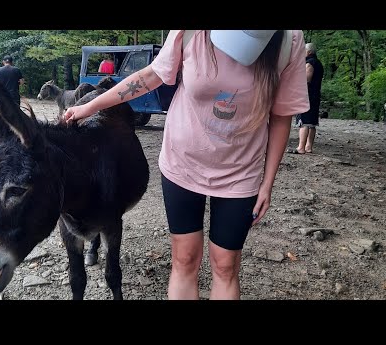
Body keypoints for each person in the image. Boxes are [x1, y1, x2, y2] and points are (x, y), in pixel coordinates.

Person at [61, 30, 309, 300]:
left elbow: (282, 114)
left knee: (226, 266)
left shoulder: (289, 41)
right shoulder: (192, 33)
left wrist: (267, 183)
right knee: (185, 257)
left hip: (241, 172)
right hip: (182, 163)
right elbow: (151, 76)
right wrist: (91, 107)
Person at [292, 42, 324, 154]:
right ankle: (308, 147)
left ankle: (301, 147)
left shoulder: (309, 63)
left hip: (307, 95)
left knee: (304, 121)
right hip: (316, 95)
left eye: (304, 51)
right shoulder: (319, 63)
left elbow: (306, 80)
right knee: (312, 123)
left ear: (309, 52)